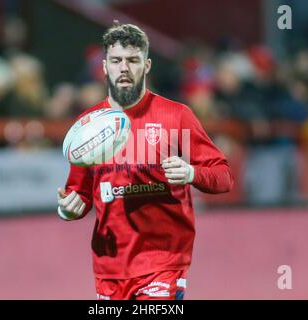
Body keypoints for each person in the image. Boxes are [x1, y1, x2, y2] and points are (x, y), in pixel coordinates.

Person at [57, 22, 233, 300]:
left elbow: (223, 177)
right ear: (104, 67)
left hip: (163, 262)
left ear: (147, 65)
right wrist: (69, 209)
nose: (124, 68)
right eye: (116, 61)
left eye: (132, 60)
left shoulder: (176, 116)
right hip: (110, 266)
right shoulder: (88, 126)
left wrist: (191, 173)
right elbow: (79, 195)